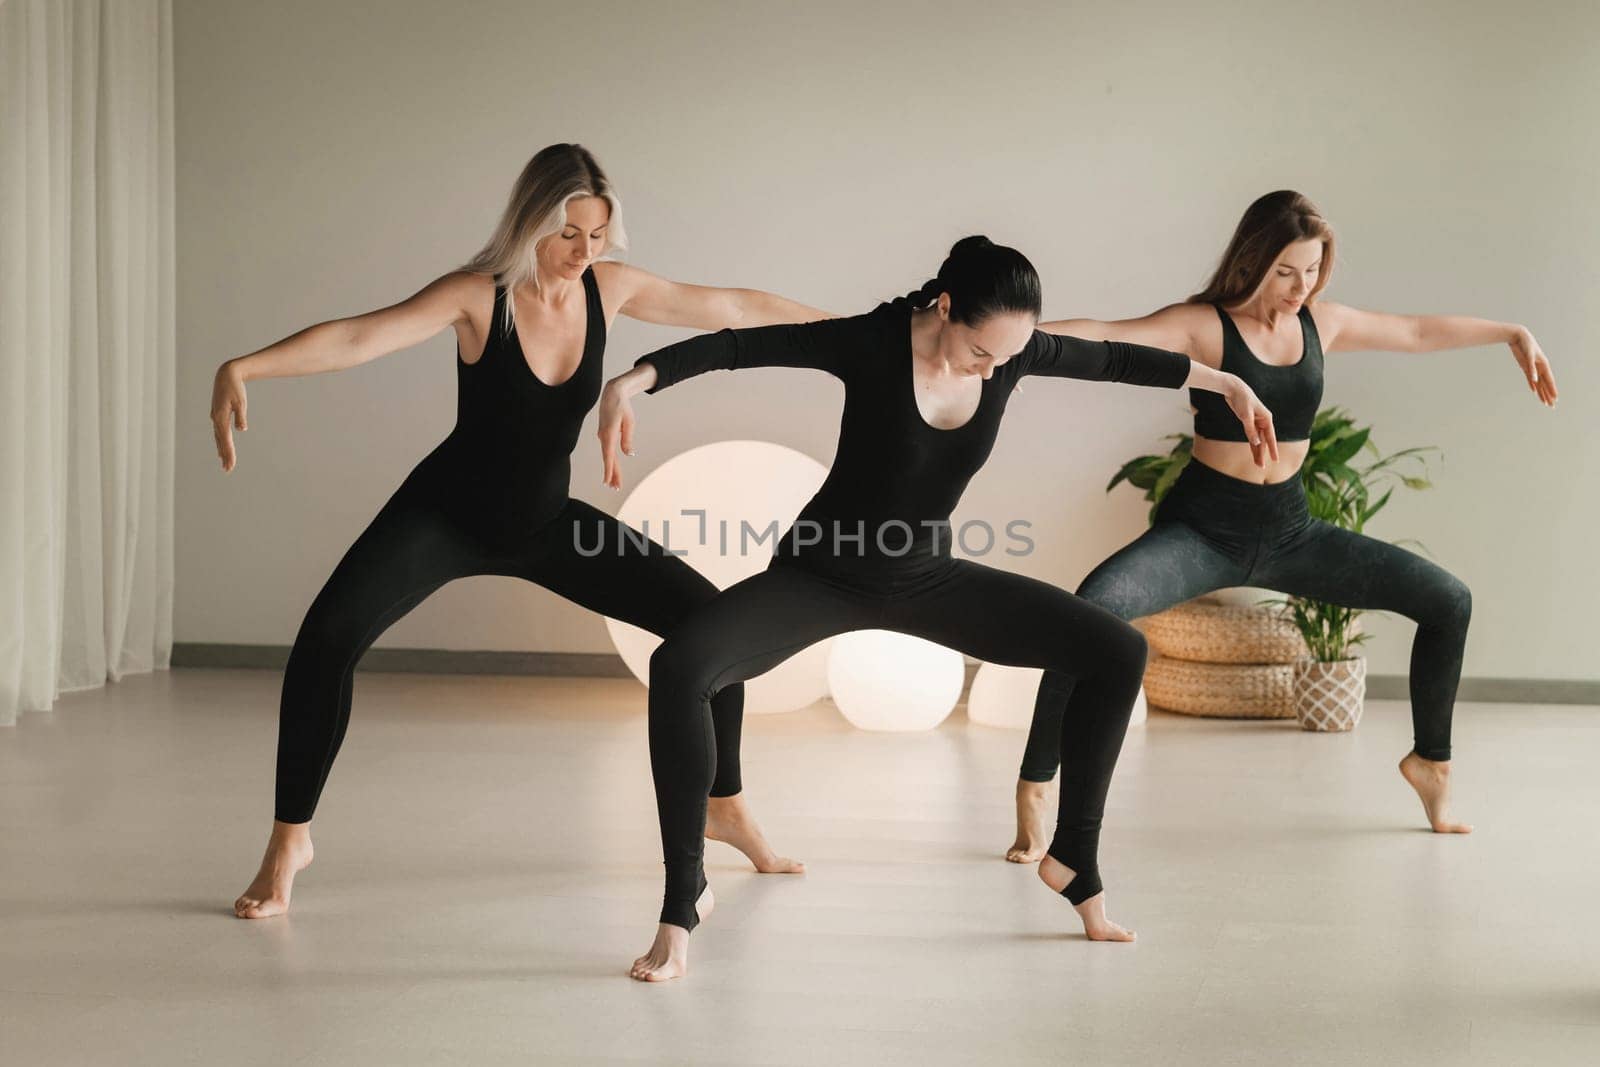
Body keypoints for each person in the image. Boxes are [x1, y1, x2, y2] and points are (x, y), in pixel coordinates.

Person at [596, 235, 1277, 980]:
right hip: (819, 574)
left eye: (1005, 356)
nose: (994, 367)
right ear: (945, 307)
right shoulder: (871, 342)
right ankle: (681, 901)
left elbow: (1113, 358)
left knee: (1117, 650)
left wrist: (1224, 383)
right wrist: (638, 380)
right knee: (681, 665)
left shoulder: (1010, 352)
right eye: (983, 351)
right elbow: (741, 344)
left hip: (925, 577)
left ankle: (1074, 857)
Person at [215, 143, 827, 919]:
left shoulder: (608, 287)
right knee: (325, 640)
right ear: (532, 222)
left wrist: (859, 329)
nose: (585, 252)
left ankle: (725, 804)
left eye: (599, 234)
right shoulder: (479, 296)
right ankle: (288, 840)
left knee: (714, 626)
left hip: (543, 524)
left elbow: (734, 307)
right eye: (569, 233)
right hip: (443, 515)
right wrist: (247, 366)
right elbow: (360, 337)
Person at [1006, 190, 1557, 862]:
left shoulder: (1324, 323)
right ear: (1253, 262)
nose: (1300, 287)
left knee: (1449, 600)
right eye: (1285, 271)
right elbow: (1107, 332)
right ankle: (1037, 783)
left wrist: (1510, 332)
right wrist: (1013, 345)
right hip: (1202, 534)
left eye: (1312, 271)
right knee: (1088, 612)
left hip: (1292, 531)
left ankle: (1430, 763)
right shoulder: (1206, 324)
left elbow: (1414, 332)